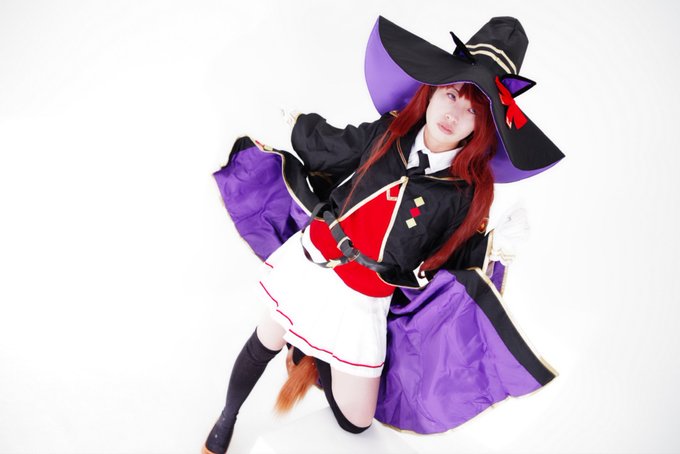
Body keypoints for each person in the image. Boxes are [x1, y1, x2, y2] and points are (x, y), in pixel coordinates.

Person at [204, 15, 564, 453]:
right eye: (452, 94)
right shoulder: (387, 132)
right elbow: (334, 147)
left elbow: (452, 262)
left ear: (483, 126)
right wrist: (296, 123)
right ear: (433, 90)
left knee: (356, 422)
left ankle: (314, 355)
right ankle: (226, 418)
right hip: (317, 261)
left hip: (367, 298)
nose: (454, 114)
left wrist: (495, 248)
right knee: (267, 339)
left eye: (473, 109)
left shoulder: (466, 194)